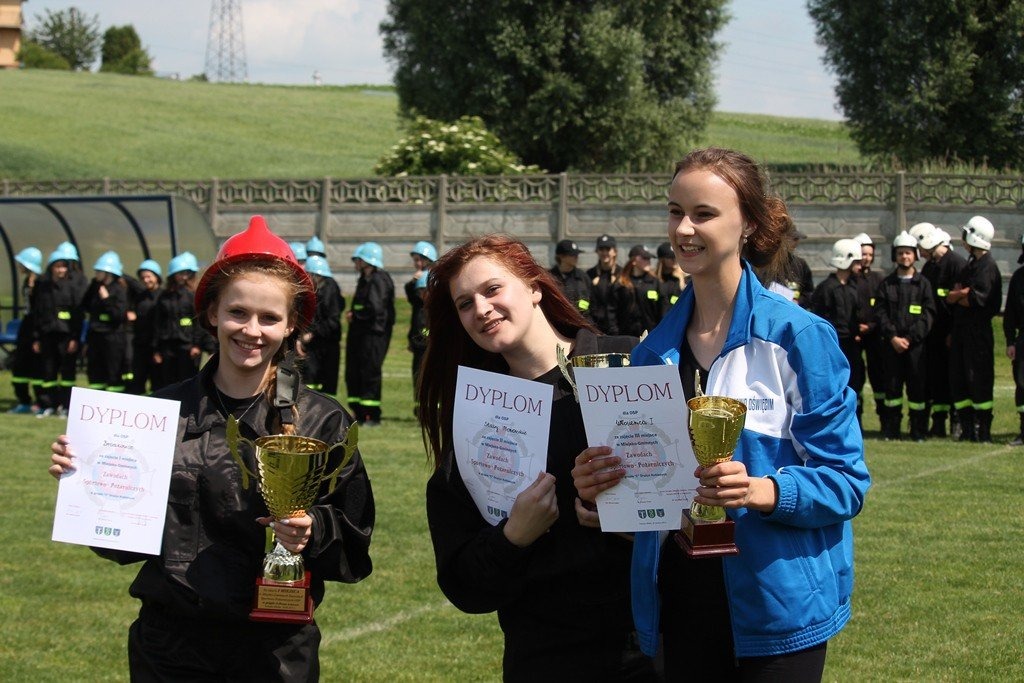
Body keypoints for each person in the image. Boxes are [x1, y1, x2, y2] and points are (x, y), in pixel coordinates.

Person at [572, 148, 870, 680]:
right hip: (679, 607)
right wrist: (609, 496)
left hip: (777, 611)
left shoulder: (798, 337)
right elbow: (657, 501)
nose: (683, 228)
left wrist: (762, 491)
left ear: (750, 224)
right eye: (674, 211)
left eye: (703, 213)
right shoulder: (651, 352)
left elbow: (847, 482)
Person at [48, 215, 375, 680]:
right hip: (169, 650)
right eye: (237, 312)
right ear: (211, 314)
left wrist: (313, 530)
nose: (252, 330)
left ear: (292, 325)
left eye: (270, 317)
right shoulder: (157, 414)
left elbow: (355, 544)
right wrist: (87, 482)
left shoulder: (323, 420)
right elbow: (120, 548)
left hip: (274, 652)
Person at [418, 235, 655, 682]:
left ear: (534, 287)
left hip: (649, 650)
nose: (481, 309)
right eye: (464, 303)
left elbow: (699, 515)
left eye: (492, 289)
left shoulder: (628, 362)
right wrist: (513, 537)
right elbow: (465, 584)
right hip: (545, 655)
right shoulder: (478, 416)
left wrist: (629, 521)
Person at [873, 231, 935, 441]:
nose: (904, 257)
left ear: (915, 255)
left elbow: (928, 314)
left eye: (908, 253)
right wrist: (893, 337)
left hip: (916, 347)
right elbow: (880, 313)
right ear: (894, 256)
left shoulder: (923, 284)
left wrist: (910, 338)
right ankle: (892, 429)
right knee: (892, 390)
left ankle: (918, 430)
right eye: (900, 253)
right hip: (892, 347)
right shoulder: (887, 284)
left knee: (917, 389)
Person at [948, 216, 1002, 442]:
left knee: (978, 378)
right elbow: (954, 295)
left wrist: (961, 295)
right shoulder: (970, 265)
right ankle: (967, 427)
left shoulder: (987, 266)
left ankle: (983, 430)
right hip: (962, 331)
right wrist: (960, 294)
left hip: (977, 333)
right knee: (959, 378)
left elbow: (975, 299)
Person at [916, 227, 966, 437]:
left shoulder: (957, 264)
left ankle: (957, 421)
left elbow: (960, 305)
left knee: (954, 378)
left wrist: (953, 332)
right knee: (936, 380)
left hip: (951, 331)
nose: (921, 253)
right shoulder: (929, 267)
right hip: (933, 334)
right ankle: (938, 423)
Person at [811, 238, 866, 427]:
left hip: (852, 344)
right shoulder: (827, 288)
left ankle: (855, 421)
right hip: (833, 345)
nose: (859, 266)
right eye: (856, 261)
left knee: (856, 382)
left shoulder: (854, 287)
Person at [31, 242, 87, 417]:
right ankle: (48, 404)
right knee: (48, 371)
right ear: (52, 268)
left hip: (66, 336)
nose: (61, 270)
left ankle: (66, 405)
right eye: (57, 267)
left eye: (64, 267)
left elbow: (77, 314)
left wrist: (74, 338)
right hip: (47, 334)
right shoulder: (43, 286)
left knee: (67, 372)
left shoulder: (72, 286)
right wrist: (36, 337)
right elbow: (37, 313)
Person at [345, 242, 395, 426]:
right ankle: (358, 411)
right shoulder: (364, 279)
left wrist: (355, 315)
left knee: (369, 371)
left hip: (374, 334)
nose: (356, 263)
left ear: (367, 261)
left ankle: (371, 415)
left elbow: (375, 308)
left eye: (358, 260)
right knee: (355, 371)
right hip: (360, 333)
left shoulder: (379, 279)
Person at [151, 252, 213, 390]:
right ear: (173, 275)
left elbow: (199, 323)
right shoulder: (164, 296)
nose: (183, 277)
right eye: (180, 273)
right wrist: (156, 349)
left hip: (188, 347)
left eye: (186, 273)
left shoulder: (194, 296)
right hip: (167, 346)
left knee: (188, 382)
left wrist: (197, 345)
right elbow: (158, 323)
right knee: (168, 382)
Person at [82, 251, 129, 393]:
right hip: (96, 336)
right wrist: (93, 287)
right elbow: (84, 305)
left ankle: (114, 402)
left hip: (112, 337)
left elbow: (119, 315)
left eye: (99, 271)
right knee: (95, 371)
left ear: (108, 272)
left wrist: (107, 300)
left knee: (113, 371)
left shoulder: (119, 290)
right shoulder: (95, 287)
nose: (96, 273)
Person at [853, 232, 886, 432]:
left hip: (874, 337)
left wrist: (871, 326)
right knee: (855, 379)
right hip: (854, 338)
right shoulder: (850, 281)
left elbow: (882, 308)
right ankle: (857, 422)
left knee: (879, 377)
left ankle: (885, 420)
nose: (866, 258)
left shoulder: (877, 280)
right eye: (863, 254)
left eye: (869, 254)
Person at [299, 254, 344, 394]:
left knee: (326, 381)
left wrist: (312, 334)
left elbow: (332, 321)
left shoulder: (330, 290)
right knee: (311, 380)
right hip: (313, 345)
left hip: (326, 344)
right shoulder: (313, 290)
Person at [7, 247, 43, 414]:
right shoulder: (27, 282)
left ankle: (41, 402)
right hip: (26, 327)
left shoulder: (41, 284)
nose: (19, 266)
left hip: (36, 330)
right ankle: (24, 400)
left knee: (37, 367)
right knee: (19, 366)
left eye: (21, 263)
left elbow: (40, 313)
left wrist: (37, 337)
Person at [124, 259, 164, 395]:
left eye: (149, 276)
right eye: (143, 278)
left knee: (158, 382)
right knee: (138, 381)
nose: (146, 280)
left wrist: (158, 350)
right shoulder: (139, 297)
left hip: (157, 348)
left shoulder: (164, 296)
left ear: (156, 277)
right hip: (140, 346)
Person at [407, 241, 437, 411]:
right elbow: (413, 303)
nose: (417, 264)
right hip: (419, 342)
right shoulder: (417, 289)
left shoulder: (437, 280)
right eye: (415, 260)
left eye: (421, 260)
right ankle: (420, 409)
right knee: (417, 376)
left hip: (429, 345)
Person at [1003, 234, 1024, 445]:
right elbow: (1010, 313)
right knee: (1022, 384)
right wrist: (1010, 341)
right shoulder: (1018, 278)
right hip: (1023, 340)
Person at [614, 244, 661, 337]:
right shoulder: (621, 282)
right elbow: (612, 309)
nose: (648, 261)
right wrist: (614, 332)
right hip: (625, 335)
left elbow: (661, 309)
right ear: (634, 261)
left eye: (649, 258)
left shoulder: (655, 282)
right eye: (645, 258)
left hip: (650, 335)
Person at [586, 234, 621, 335]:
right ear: (597, 251)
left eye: (608, 249)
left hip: (618, 329)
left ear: (614, 251)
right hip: (596, 329)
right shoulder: (590, 274)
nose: (604, 252)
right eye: (601, 249)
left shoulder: (622, 274)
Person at [549, 239, 592, 318]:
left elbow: (591, 303)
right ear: (561, 256)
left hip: (581, 324)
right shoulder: (550, 278)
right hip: (557, 324)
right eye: (572, 255)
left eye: (577, 255)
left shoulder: (583, 278)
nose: (576, 257)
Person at [783, 228, 814, 309]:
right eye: (794, 239)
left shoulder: (800, 264)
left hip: (794, 311)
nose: (796, 243)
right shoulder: (767, 264)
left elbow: (809, 292)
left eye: (797, 239)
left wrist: (799, 301)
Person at [655, 241, 686, 318]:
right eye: (670, 257)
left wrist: (681, 279)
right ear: (662, 260)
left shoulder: (684, 278)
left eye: (676, 257)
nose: (674, 260)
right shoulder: (655, 279)